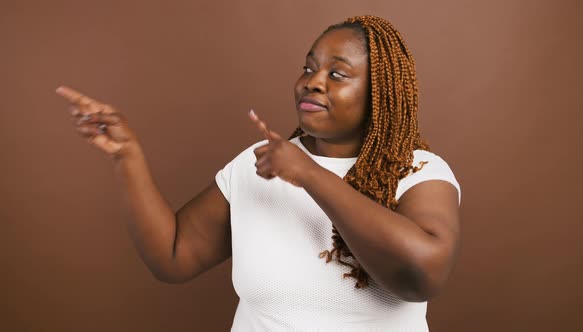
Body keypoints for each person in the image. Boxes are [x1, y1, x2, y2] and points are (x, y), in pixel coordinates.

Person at [56, 15, 461, 331]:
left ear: (380, 94)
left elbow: (422, 275)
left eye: (337, 74)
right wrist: (127, 156)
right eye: (308, 68)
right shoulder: (259, 163)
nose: (312, 83)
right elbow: (172, 257)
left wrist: (309, 174)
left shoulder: (418, 170)